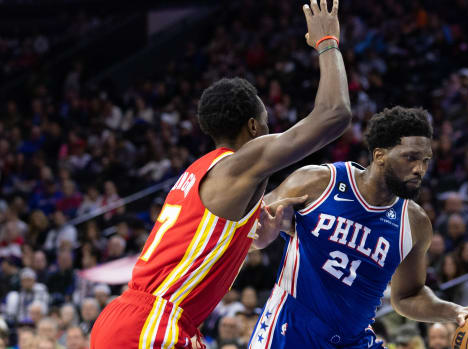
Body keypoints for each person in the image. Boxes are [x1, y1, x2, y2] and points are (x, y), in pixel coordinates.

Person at [90, 0, 352, 347]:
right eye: (268, 123)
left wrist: (260, 237)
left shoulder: (201, 172)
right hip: (154, 324)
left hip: (136, 317)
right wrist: (327, 42)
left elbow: (207, 247)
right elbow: (334, 114)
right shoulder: (241, 162)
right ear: (253, 125)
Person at [248, 107, 468, 348]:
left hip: (354, 339)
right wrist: (264, 232)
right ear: (380, 155)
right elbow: (251, 226)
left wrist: (454, 311)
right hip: (291, 330)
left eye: (426, 160)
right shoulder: (319, 182)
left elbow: (408, 296)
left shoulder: (415, 223)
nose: (420, 169)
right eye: (411, 158)